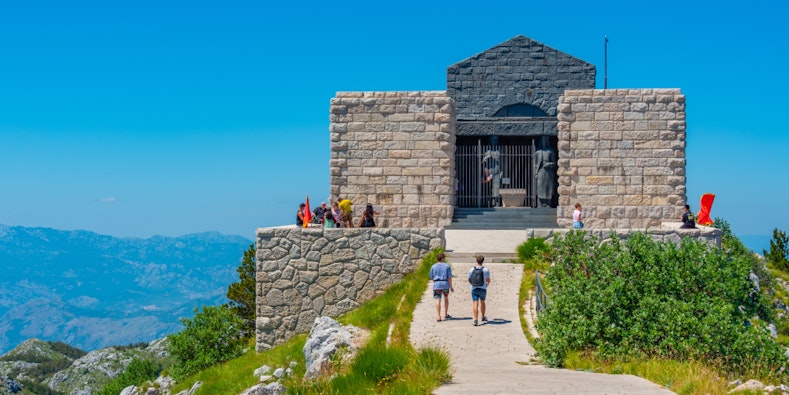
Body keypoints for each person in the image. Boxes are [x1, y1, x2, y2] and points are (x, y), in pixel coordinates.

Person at [429, 253, 454, 321]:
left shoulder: (433, 266)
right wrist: (451, 286)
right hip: (445, 284)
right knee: (446, 298)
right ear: (443, 258)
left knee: (438, 300)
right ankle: (445, 314)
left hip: (437, 284)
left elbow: (432, 277)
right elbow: (449, 277)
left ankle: (438, 316)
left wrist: (435, 283)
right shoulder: (447, 266)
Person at [534, 135, 557, 207]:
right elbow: (535, 164)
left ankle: (548, 203)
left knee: (549, 187)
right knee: (540, 187)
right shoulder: (538, 152)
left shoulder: (550, 151)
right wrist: (536, 173)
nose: (544, 142)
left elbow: (554, 162)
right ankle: (540, 204)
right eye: (543, 140)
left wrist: (549, 164)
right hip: (541, 170)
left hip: (549, 171)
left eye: (545, 140)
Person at [468, 255, 491, 327]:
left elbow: (469, 279)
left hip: (474, 288)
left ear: (476, 261)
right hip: (483, 288)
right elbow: (488, 279)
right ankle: (483, 316)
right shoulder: (485, 270)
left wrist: (472, 284)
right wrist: (486, 284)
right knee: (482, 302)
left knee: (475, 303)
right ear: (483, 261)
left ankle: (475, 319)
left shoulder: (472, 269)